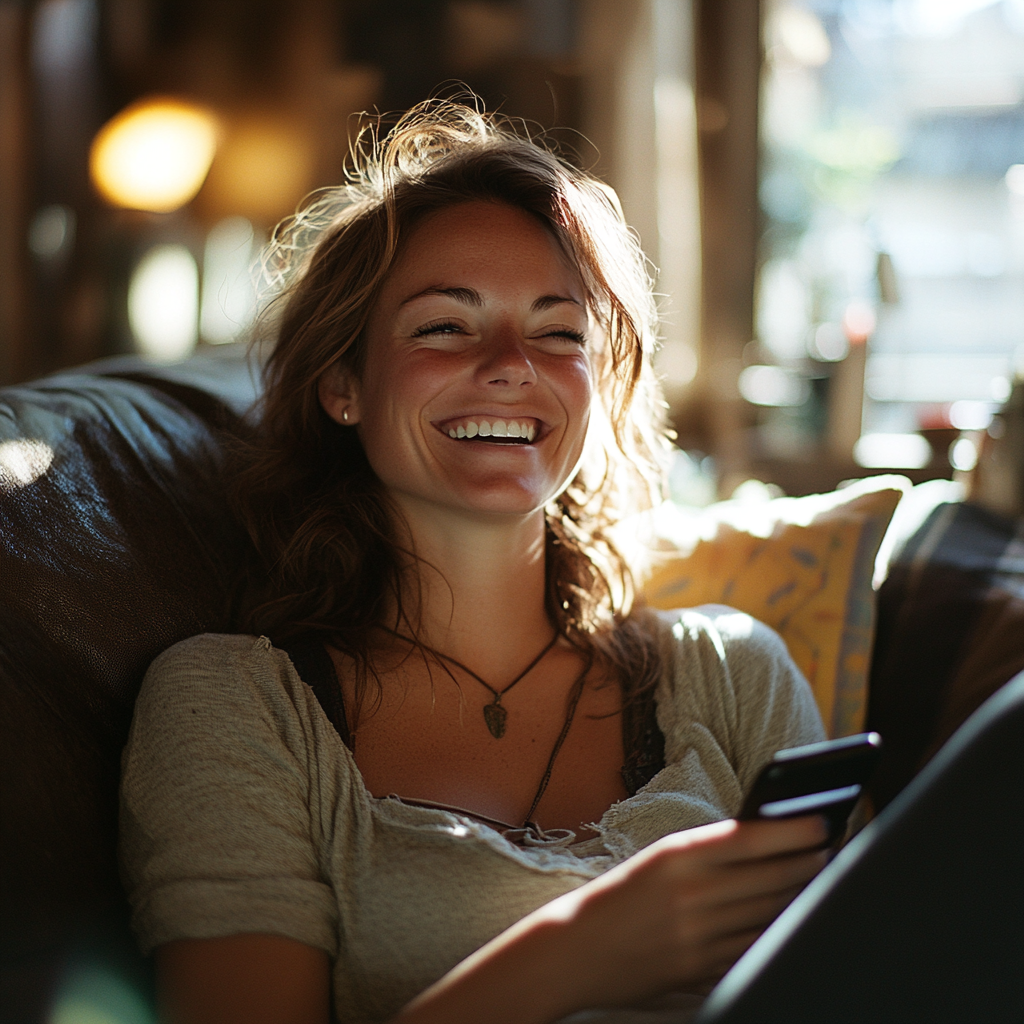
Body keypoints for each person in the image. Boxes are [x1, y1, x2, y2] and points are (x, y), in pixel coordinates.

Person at [119, 99, 828, 1024]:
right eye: (445, 327)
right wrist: (576, 952)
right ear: (343, 385)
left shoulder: (734, 674)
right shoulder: (238, 707)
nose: (510, 364)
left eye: (558, 330)